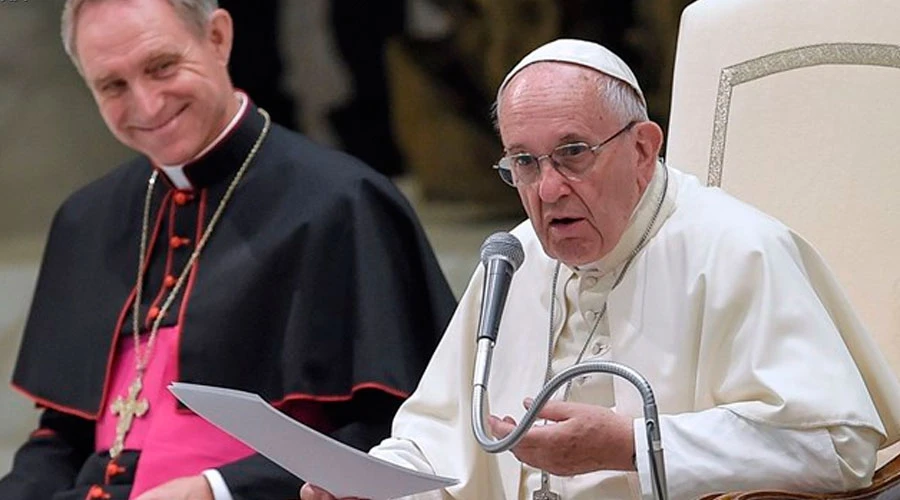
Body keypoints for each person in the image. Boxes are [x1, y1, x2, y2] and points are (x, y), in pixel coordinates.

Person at [300, 39, 900, 500]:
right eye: (524, 163)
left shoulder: (738, 250)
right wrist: (373, 482)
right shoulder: (516, 258)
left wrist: (632, 445)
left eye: (572, 153)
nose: (548, 189)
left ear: (642, 148)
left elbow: (836, 445)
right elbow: (442, 440)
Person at [0, 1, 457, 499]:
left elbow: (405, 432)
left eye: (162, 67)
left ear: (217, 38)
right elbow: (60, 435)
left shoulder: (344, 205)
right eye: (112, 85)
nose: (147, 105)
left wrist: (218, 489)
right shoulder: (84, 219)